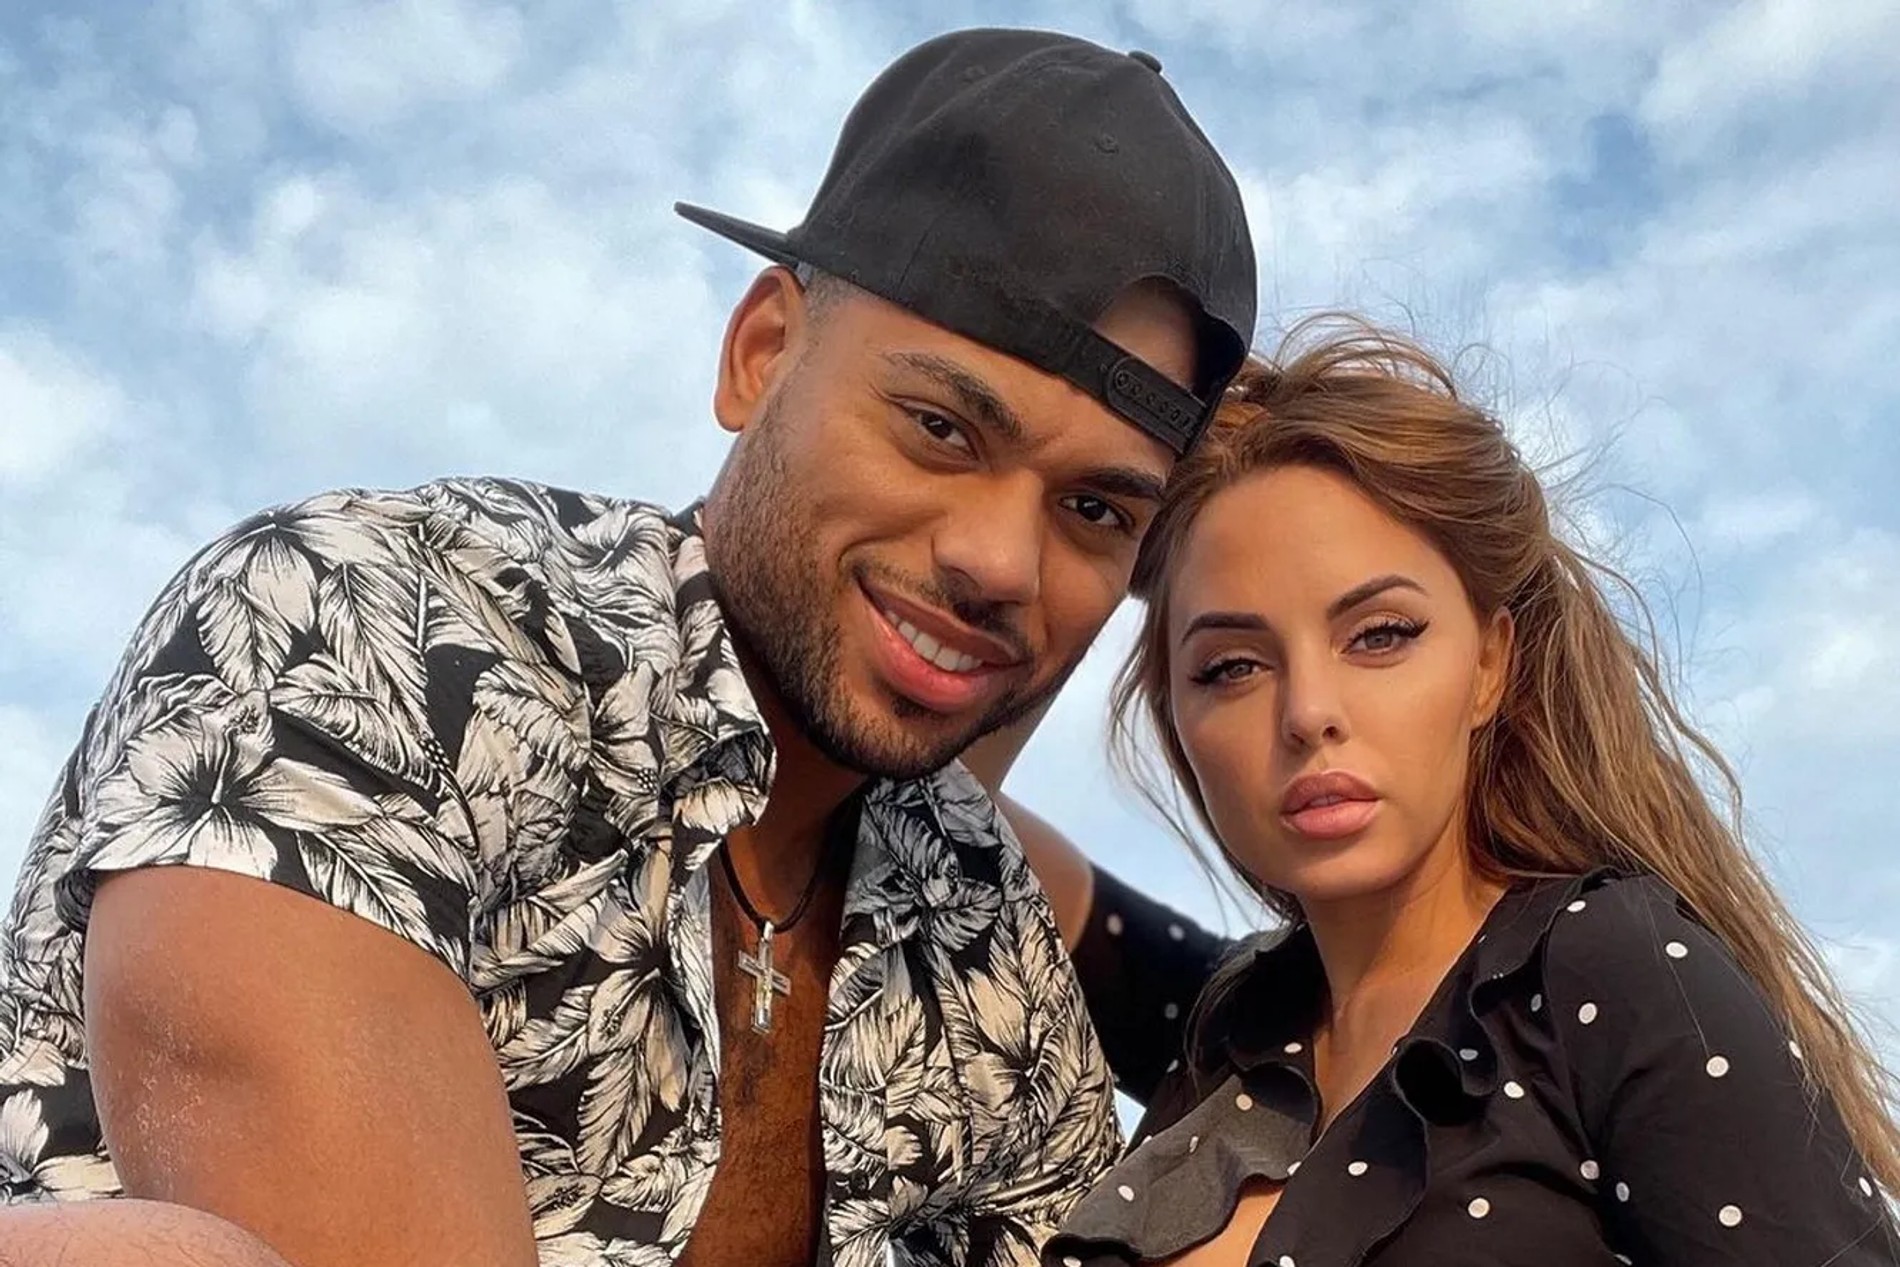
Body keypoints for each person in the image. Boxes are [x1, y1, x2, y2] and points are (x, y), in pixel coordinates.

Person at [0, 28, 1258, 1267]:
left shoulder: (985, 937)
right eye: (939, 427)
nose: (1000, 563)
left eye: (1094, 509)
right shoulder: (375, 625)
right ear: (761, 354)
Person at [1032, 321, 1900, 1266]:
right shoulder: (1227, 1025)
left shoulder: (1601, 974)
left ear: (1490, 664)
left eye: (1381, 634)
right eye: (1232, 665)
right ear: (1176, 712)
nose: (1309, 712)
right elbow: (945, 789)